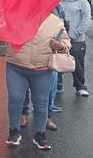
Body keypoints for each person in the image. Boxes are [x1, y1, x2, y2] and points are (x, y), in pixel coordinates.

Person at [5, 12, 70, 150]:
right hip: (16, 65)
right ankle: (14, 131)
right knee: (15, 99)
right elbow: (0, 28)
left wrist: (60, 46)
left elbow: (66, 41)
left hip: (42, 69)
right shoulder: (14, 14)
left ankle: (40, 135)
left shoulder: (55, 21)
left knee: (41, 103)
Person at [60, 0, 91, 97]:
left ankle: (80, 87)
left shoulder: (83, 2)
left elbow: (86, 20)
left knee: (77, 64)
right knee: (57, 61)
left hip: (77, 39)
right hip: (60, 38)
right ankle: (58, 85)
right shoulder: (58, 0)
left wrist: (74, 34)